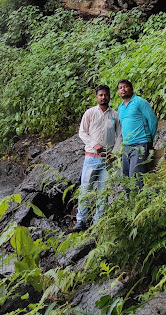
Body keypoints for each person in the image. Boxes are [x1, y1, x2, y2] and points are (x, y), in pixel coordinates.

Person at [72, 85, 121, 231]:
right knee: (85, 189)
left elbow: (120, 135)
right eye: (100, 95)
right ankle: (81, 220)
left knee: (103, 191)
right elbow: (82, 132)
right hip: (91, 157)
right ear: (96, 97)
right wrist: (94, 144)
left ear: (110, 96)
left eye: (105, 95)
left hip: (108, 159)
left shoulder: (115, 115)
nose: (103, 97)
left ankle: (98, 221)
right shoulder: (90, 113)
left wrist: (115, 153)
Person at [117, 79, 157, 192]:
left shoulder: (139, 102)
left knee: (136, 177)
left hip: (140, 144)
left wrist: (149, 141)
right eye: (120, 88)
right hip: (127, 146)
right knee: (126, 178)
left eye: (125, 87)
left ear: (131, 88)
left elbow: (152, 120)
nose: (123, 89)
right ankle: (129, 204)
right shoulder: (120, 107)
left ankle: (139, 205)